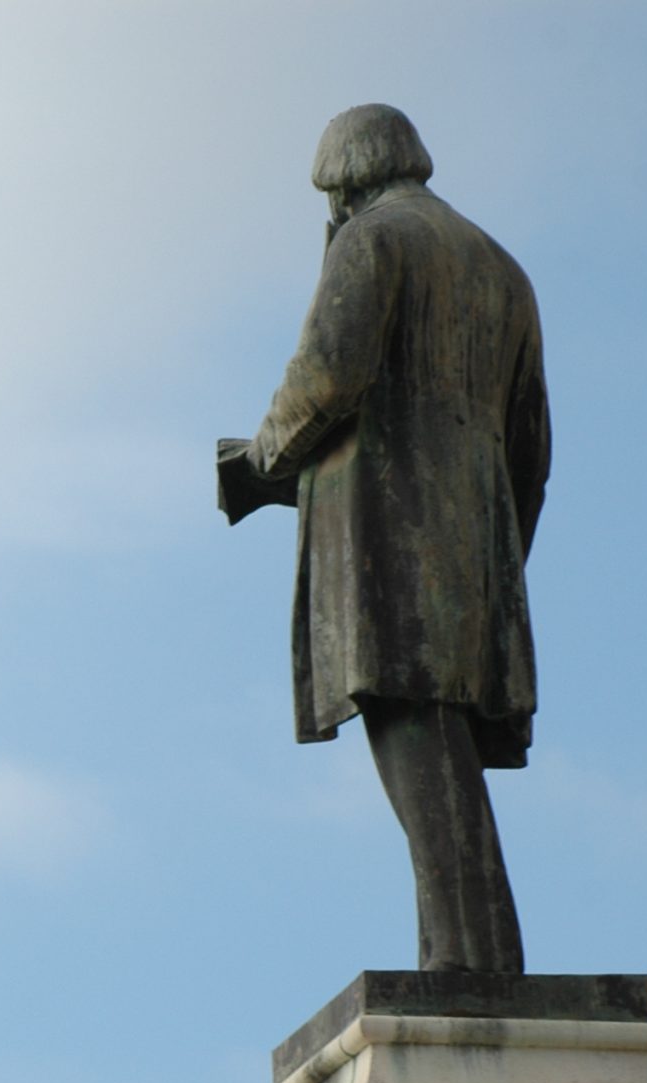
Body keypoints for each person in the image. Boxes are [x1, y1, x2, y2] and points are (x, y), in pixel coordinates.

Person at [221, 104, 548, 975]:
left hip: (386, 547)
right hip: (475, 550)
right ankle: (469, 954)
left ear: (343, 180)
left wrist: (259, 458)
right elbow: (532, 446)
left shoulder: (373, 242)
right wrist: (496, 561)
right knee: (439, 755)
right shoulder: (504, 270)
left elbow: (328, 377)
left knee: (413, 741)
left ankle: (470, 965)